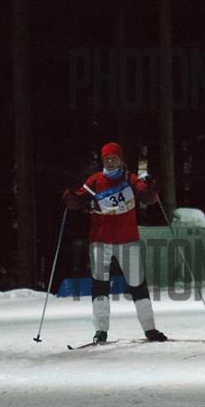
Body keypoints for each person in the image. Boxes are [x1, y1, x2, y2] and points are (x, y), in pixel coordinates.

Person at [62, 141, 167, 344]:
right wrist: (72, 200)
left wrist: (151, 194)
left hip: (128, 239)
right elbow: (80, 199)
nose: (110, 162)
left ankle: (150, 329)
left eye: (114, 158)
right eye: (107, 159)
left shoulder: (130, 179)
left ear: (121, 160)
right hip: (100, 240)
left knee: (137, 283)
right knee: (100, 284)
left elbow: (145, 196)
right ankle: (100, 331)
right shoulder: (95, 180)